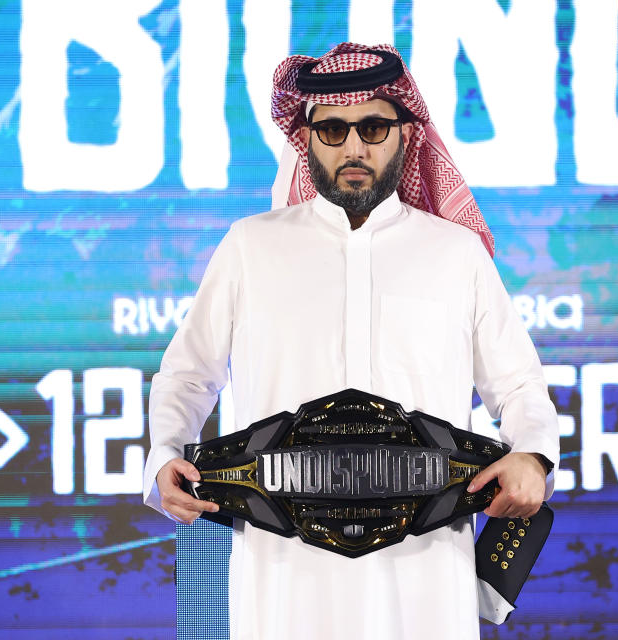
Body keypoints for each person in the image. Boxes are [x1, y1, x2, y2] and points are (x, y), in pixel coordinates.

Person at [143, 42, 560, 640]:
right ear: (305, 138)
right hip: (285, 554)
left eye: (372, 127)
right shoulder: (251, 246)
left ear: (405, 134)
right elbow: (187, 374)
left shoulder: (454, 253)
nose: (354, 147)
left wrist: (532, 455)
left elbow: (518, 383)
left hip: (424, 555)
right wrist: (165, 453)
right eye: (332, 129)